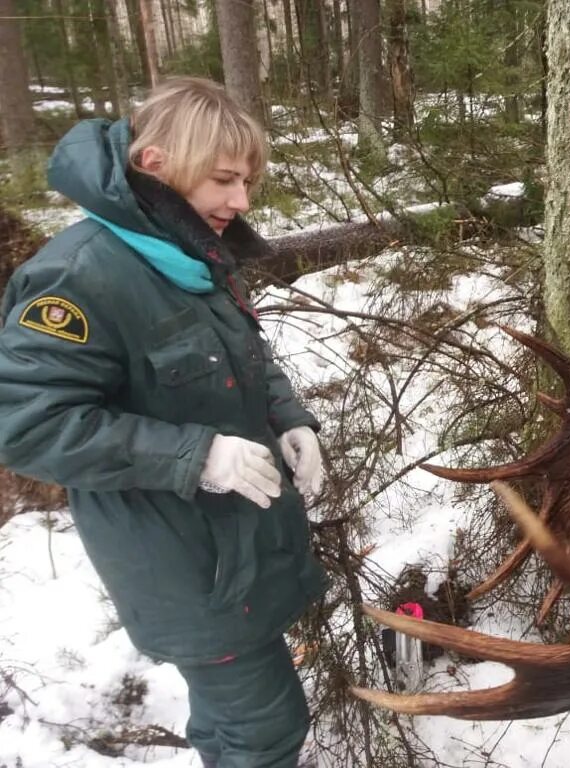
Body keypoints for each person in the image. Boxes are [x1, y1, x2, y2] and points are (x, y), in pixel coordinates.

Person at [0, 77, 328, 768]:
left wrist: (289, 418)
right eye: (224, 180)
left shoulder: (188, 252)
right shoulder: (80, 275)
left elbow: (242, 354)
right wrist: (195, 455)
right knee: (264, 732)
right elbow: (28, 425)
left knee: (230, 722)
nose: (242, 202)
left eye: (248, 182)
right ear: (156, 165)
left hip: (239, 548)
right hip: (179, 562)